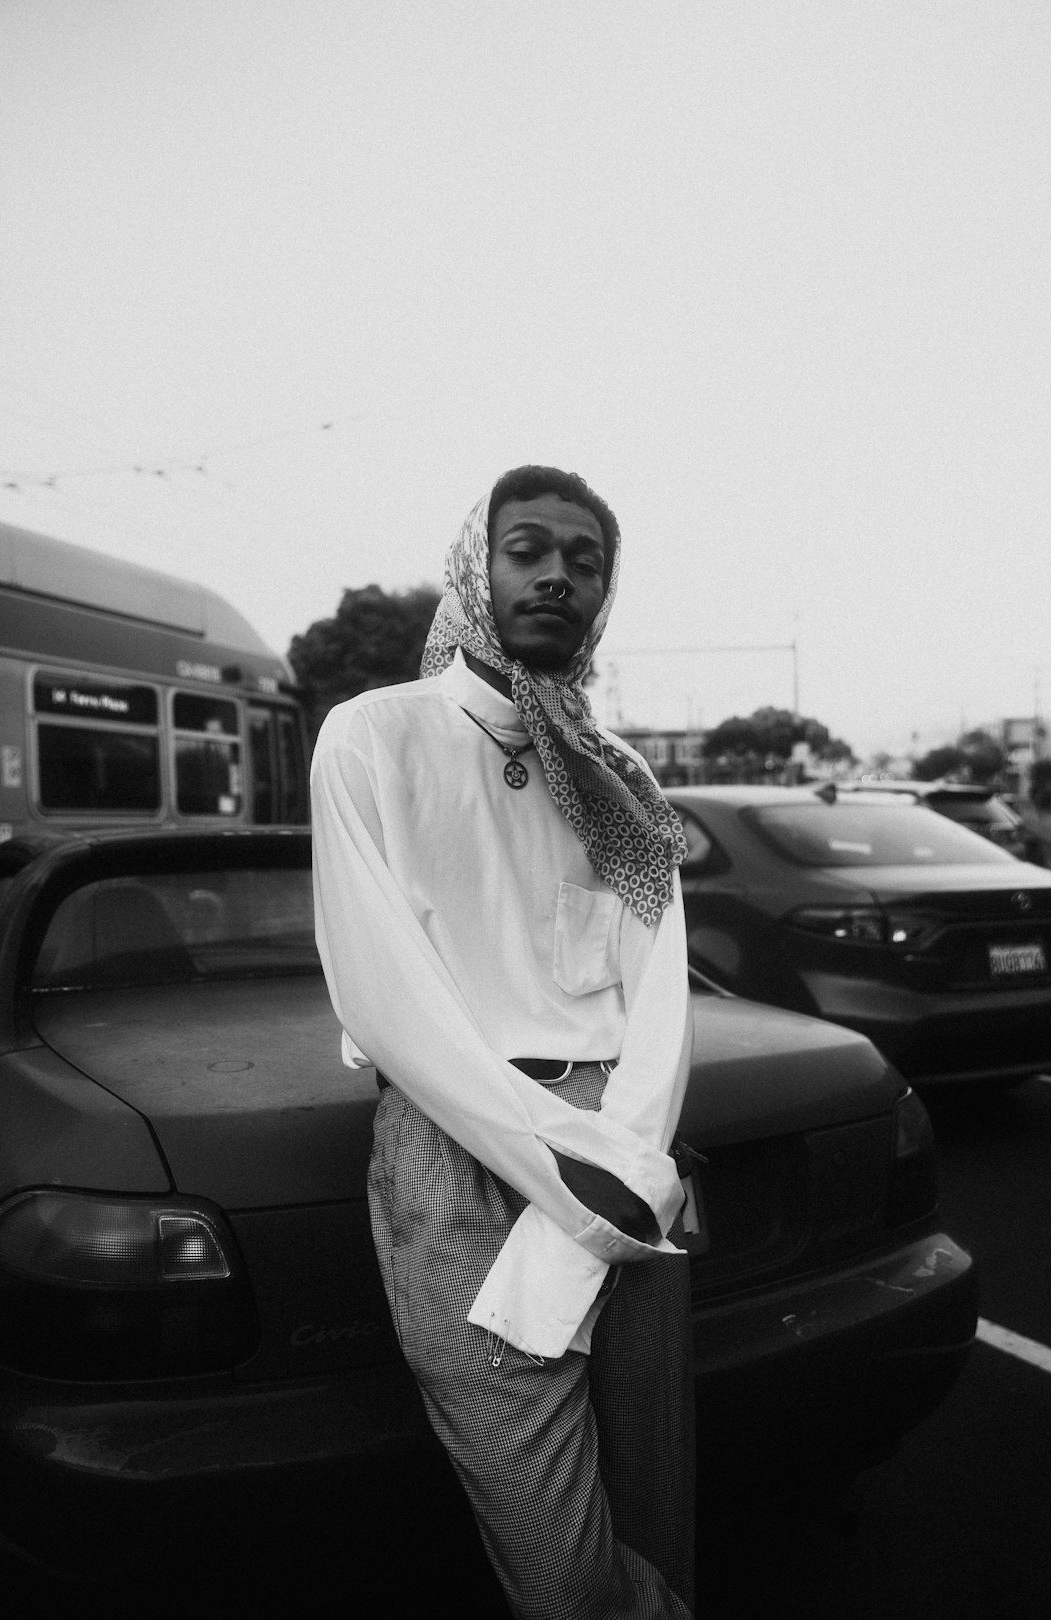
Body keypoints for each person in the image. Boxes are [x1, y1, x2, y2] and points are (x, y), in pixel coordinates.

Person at [311, 465, 696, 1620]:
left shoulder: (617, 774)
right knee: (567, 1579)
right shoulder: (376, 738)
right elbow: (391, 1003)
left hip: (631, 1167)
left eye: (586, 562)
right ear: (478, 566)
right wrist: (573, 1174)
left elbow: (659, 993)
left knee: (660, 1506)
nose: (558, 578)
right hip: (464, 1163)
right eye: (530, 549)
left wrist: (628, 1163)